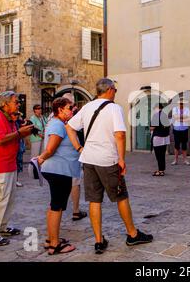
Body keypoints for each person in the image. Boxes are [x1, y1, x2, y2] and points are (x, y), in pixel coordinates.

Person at [66, 78, 153, 255]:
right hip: (108, 160)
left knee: (94, 200)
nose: (116, 92)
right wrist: (121, 158)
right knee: (121, 196)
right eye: (115, 89)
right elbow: (120, 134)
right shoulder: (114, 108)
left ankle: (98, 241)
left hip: (89, 159)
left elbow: (69, 127)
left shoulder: (87, 107)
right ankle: (132, 234)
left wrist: (79, 148)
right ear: (110, 90)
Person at [0, 91, 33, 247]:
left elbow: (11, 136)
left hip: (8, 164)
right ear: (5, 104)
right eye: (15, 102)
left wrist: (20, 131)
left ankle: (1, 227)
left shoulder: (9, 118)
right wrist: (19, 133)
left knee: (8, 199)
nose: (18, 105)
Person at [37, 97, 79, 255]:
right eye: (69, 108)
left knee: (54, 205)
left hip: (59, 169)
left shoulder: (57, 123)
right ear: (60, 109)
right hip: (59, 170)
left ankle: (51, 238)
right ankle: (54, 244)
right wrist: (40, 158)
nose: (72, 110)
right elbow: (51, 148)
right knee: (57, 207)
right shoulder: (58, 125)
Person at [61, 93, 87, 221]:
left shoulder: (54, 118)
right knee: (75, 183)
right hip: (70, 156)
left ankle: (63, 208)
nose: (73, 108)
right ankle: (75, 211)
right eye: (72, 106)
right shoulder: (67, 118)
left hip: (63, 158)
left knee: (71, 183)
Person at [150, 103, 170, 176]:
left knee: (158, 155)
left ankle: (160, 171)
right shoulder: (165, 115)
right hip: (165, 138)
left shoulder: (156, 116)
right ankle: (162, 170)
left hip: (158, 138)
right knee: (162, 155)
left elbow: (152, 127)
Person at [171, 99, 190, 166]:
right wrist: (184, 118)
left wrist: (179, 118)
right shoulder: (175, 109)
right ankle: (175, 160)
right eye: (180, 103)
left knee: (184, 145)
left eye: (182, 103)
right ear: (178, 104)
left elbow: (189, 118)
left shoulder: (187, 109)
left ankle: (185, 160)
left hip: (184, 129)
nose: (181, 105)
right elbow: (175, 117)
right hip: (176, 129)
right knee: (176, 145)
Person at [28, 104, 47, 176]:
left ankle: (40, 170)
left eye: (40, 108)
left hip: (43, 138)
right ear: (34, 110)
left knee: (41, 155)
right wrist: (40, 134)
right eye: (38, 109)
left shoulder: (43, 117)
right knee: (34, 155)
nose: (39, 110)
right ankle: (32, 172)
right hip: (36, 139)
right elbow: (32, 129)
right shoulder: (32, 118)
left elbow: (46, 125)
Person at [12, 112, 26, 188]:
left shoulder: (17, 122)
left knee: (18, 162)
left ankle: (16, 180)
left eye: (17, 115)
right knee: (15, 162)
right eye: (15, 115)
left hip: (19, 145)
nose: (16, 116)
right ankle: (14, 180)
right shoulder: (11, 123)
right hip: (14, 146)